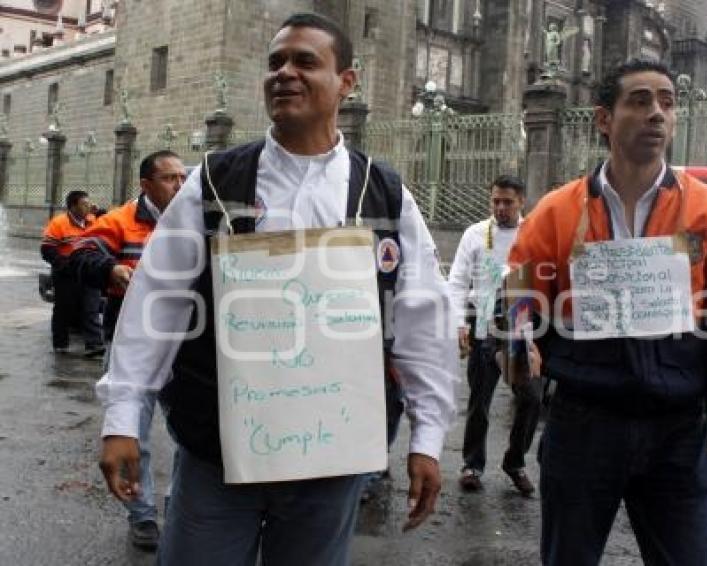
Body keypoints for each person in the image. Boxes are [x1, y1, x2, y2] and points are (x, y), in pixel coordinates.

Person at [95, 12, 456, 565]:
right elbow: (158, 303)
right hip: (217, 453)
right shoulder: (214, 182)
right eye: (275, 62)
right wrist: (124, 417)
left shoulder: (383, 193)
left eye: (305, 61)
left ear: (347, 83)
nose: (284, 73)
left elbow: (420, 320)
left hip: (332, 460)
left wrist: (427, 437)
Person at [508, 59, 707, 565]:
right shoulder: (556, 212)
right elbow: (518, 298)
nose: (657, 113)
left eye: (667, 103)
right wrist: (519, 345)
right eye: (641, 100)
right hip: (583, 426)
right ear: (604, 119)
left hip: (677, 433)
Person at [71, 150, 186, 550]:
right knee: (134, 436)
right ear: (146, 185)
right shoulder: (122, 220)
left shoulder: (197, 219)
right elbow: (82, 252)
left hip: (185, 349)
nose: (180, 185)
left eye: (183, 177)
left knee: (190, 434)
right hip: (132, 346)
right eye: (170, 178)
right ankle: (142, 516)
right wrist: (110, 269)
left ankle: (179, 508)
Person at [448, 175, 542, 497]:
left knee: (530, 397)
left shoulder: (534, 234)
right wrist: (459, 323)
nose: (501, 208)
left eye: (508, 202)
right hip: (483, 323)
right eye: (496, 201)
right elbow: (458, 282)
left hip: (521, 326)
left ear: (521, 203)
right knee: (480, 400)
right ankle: (472, 465)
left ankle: (515, 462)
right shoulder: (474, 235)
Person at [40, 190, 104, 356]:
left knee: (91, 307)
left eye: (89, 203)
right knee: (64, 309)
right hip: (66, 274)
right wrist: (63, 265)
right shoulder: (58, 223)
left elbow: (110, 222)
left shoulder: (93, 220)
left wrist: (99, 211)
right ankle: (60, 345)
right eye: (84, 204)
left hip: (89, 271)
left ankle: (94, 345)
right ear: (73, 206)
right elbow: (47, 249)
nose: (88, 206)